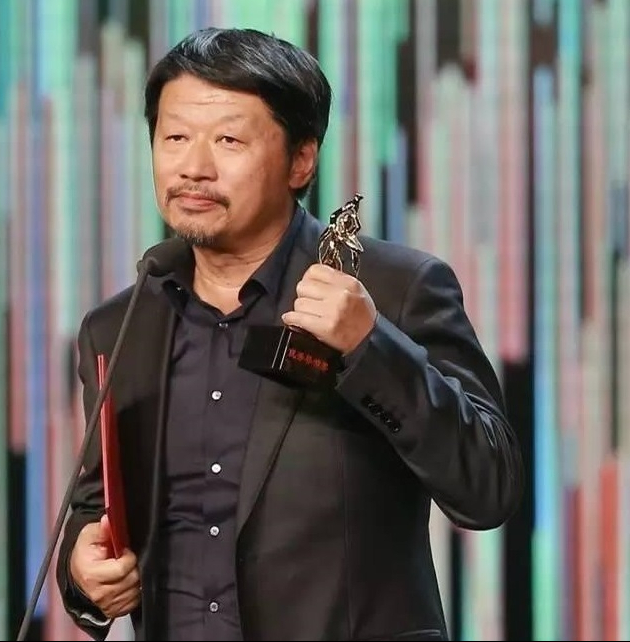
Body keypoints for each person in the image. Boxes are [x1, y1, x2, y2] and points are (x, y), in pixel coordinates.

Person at [56, 26, 524, 642]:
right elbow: (97, 510)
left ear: (301, 159)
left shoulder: (395, 289)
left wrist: (371, 347)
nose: (194, 167)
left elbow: (488, 486)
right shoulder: (118, 327)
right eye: (174, 138)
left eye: (228, 140)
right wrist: (83, 578)